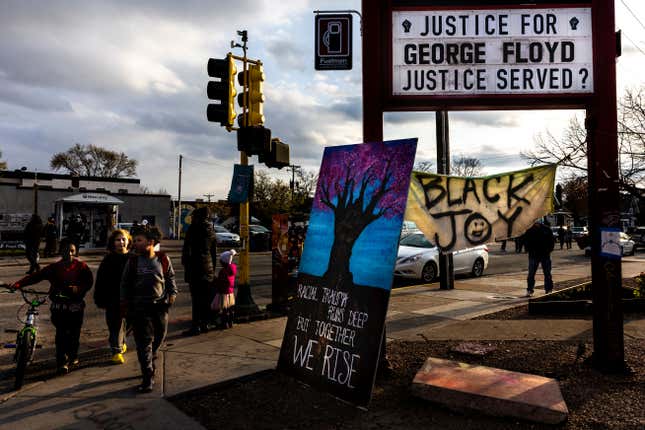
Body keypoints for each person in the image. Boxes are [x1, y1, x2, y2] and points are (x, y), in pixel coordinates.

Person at [10, 238, 93, 374]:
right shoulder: (54, 268)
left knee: (74, 335)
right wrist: (18, 284)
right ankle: (62, 362)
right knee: (60, 335)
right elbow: (35, 277)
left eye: (72, 251)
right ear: (60, 252)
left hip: (76, 308)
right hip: (58, 309)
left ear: (76, 251)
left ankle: (73, 355)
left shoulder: (82, 267)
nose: (69, 254)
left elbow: (88, 282)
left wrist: (78, 289)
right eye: (66, 251)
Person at [120, 225, 177, 393]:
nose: (135, 243)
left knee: (159, 337)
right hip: (139, 308)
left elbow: (170, 277)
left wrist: (172, 294)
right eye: (134, 240)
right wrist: (124, 302)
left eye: (139, 240)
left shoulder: (163, 259)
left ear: (151, 242)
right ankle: (147, 376)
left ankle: (151, 359)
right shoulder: (133, 261)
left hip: (160, 307)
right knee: (144, 343)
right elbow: (124, 283)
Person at [94, 229, 132, 365]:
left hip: (130, 299)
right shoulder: (108, 259)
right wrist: (99, 298)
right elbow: (100, 280)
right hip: (112, 299)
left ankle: (121, 342)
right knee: (115, 325)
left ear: (128, 241)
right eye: (118, 240)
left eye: (123, 239)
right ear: (113, 242)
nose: (121, 242)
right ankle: (116, 351)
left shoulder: (133, 258)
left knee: (129, 324)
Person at [181, 207, 218, 336]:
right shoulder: (211, 230)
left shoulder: (193, 229)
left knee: (196, 298)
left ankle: (196, 325)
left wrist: (186, 266)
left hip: (195, 267)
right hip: (208, 267)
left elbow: (187, 250)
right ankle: (205, 323)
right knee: (206, 297)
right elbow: (213, 252)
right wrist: (212, 270)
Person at [523, 219, 555, 297]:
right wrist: (527, 249)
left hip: (544, 254)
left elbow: (551, 241)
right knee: (531, 274)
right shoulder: (530, 230)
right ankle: (530, 290)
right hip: (534, 255)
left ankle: (548, 289)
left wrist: (549, 250)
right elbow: (526, 240)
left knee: (547, 273)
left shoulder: (547, 229)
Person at [212, 249, 237, 329]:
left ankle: (224, 323)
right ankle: (231, 322)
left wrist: (215, 280)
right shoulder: (232, 269)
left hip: (223, 292)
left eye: (221, 260)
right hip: (230, 292)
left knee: (224, 309)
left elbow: (220, 282)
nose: (220, 262)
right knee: (230, 308)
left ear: (224, 262)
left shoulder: (223, 271)